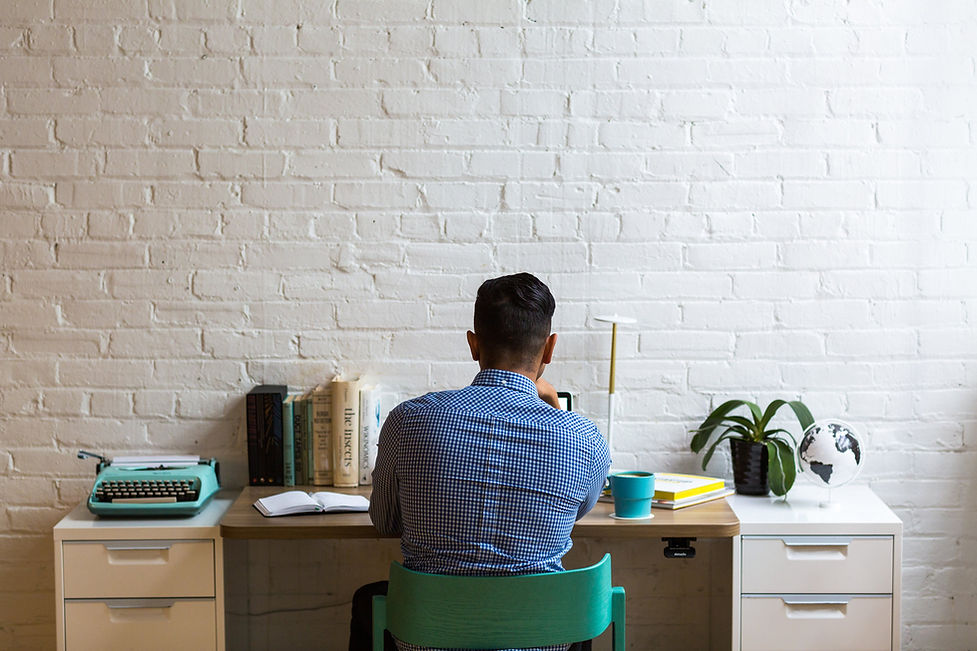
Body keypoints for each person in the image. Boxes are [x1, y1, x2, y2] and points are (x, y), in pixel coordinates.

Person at [349, 272, 611, 651]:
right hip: (540, 636)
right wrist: (556, 410)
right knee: (575, 609)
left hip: (429, 636)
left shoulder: (409, 420)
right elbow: (576, 513)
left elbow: (386, 521)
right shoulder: (584, 439)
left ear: (474, 345)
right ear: (550, 349)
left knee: (369, 599)